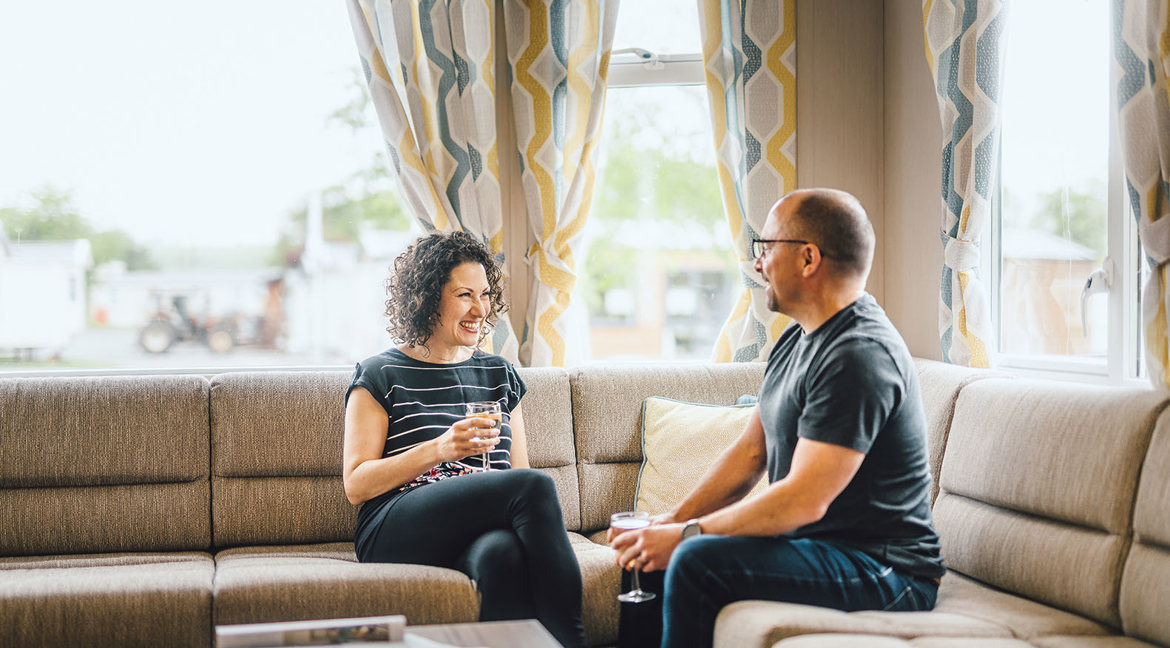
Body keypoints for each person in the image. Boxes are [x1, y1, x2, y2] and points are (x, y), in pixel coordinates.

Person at [610, 188, 945, 648]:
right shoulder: (798, 339)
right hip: (819, 548)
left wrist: (686, 536)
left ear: (808, 258)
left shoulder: (860, 354)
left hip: (884, 568)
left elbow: (803, 500)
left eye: (766, 248)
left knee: (693, 559)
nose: (757, 263)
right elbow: (750, 453)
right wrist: (669, 521)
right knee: (652, 555)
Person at [343, 230, 587, 648]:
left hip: (475, 525)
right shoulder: (381, 374)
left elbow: (515, 472)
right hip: (395, 525)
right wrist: (442, 448)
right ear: (427, 298)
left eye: (485, 294)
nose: (480, 308)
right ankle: (572, 641)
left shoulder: (499, 374)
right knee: (536, 486)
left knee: (501, 555)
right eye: (464, 295)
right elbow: (357, 484)